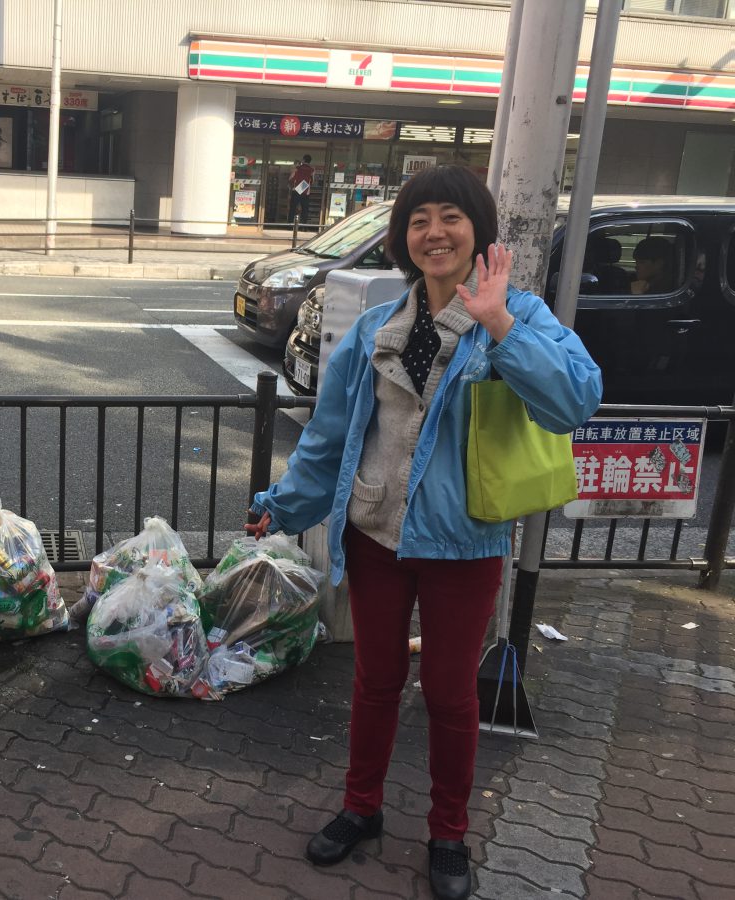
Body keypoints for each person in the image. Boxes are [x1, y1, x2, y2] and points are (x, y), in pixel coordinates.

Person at [245, 165, 601, 900]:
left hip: (463, 544)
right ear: (403, 240)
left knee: (448, 693)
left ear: (479, 231)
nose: (434, 233)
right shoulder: (379, 327)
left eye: (450, 218)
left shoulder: (520, 315)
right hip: (375, 537)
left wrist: (498, 323)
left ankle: (448, 832)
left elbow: (575, 402)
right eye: (418, 221)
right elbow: (332, 433)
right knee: (374, 682)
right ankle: (361, 808)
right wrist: (283, 504)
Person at [288, 153, 315, 224]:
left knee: (293, 209)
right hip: (306, 192)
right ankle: (304, 226)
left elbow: (291, 179)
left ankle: (289, 225)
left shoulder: (297, 168)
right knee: (305, 209)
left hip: (296, 190)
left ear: (303, 160)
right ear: (310, 161)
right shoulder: (312, 170)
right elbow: (312, 181)